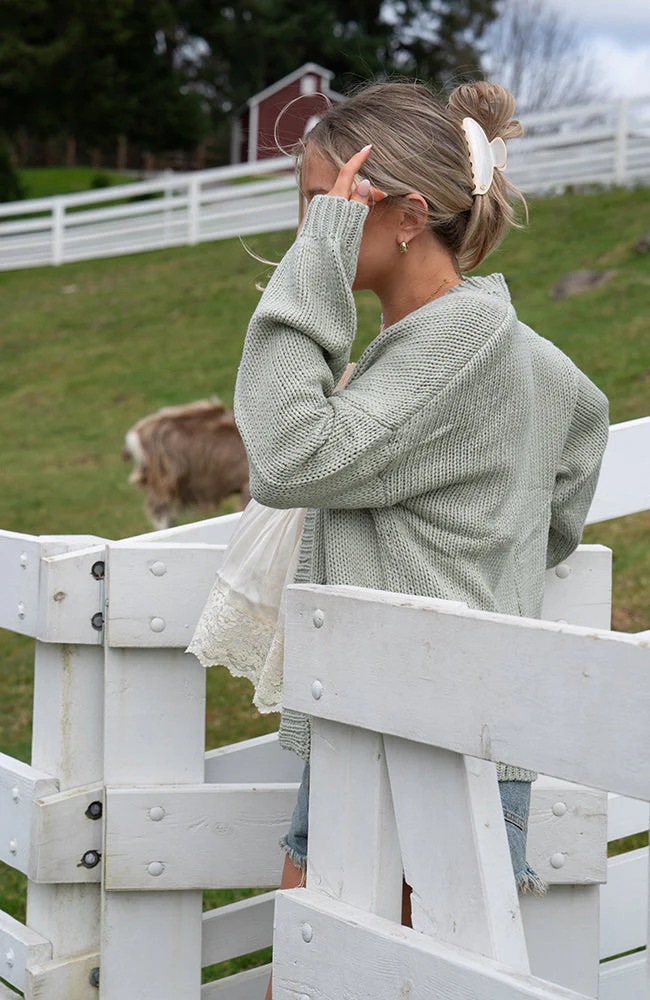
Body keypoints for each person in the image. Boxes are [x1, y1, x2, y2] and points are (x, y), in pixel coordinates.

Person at [233, 78, 609, 992]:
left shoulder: (455, 348)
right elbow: (581, 428)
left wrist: (316, 265)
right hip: (409, 732)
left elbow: (287, 454)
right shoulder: (503, 349)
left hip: (427, 745)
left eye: (324, 206)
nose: (307, 231)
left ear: (405, 214)